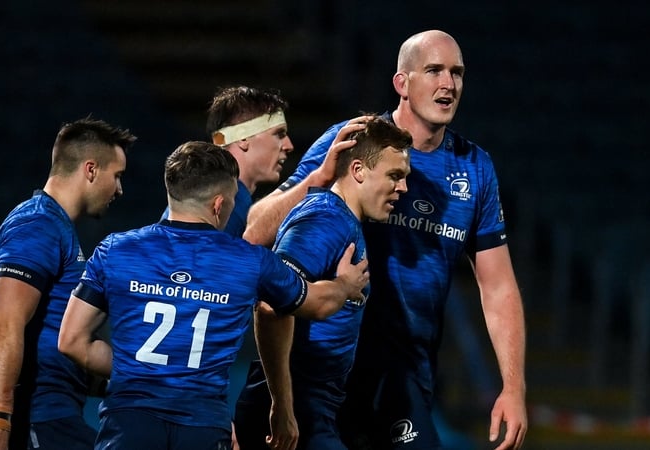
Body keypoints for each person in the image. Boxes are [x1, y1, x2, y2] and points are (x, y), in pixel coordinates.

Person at [243, 30, 528, 450]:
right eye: (433, 71)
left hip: (404, 370)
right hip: (320, 361)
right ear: (402, 83)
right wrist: (319, 178)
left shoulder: (474, 167)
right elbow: (255, 229)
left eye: (457, 73)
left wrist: (514, 387)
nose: (448, 83)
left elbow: (498, 285)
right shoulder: (355, 138)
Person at [57, 141, 370, 450]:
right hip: (202, 426)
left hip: (128, 425)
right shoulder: (249, 261)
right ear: (219, 204)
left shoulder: (116, 250)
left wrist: (142, 369)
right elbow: (316, 303)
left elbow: (71, 341)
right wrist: (346, 283)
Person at [234, 117, 413, 450]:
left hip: (310, 407)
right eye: (394, 176)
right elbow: (272, 306)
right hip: (295, 409)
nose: (402, 188)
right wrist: (282, 406)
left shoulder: (338, 218)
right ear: (358, 170)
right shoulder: (325, 221)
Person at [0, 117, 137, 450]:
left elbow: (49, 341)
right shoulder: (36, 224)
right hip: (35, 421)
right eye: (117, 176)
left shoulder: (57, 227)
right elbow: (4, 323)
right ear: (90, 170)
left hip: (53, 415)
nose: (119, 189)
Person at [160, 85, 294, 237]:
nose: (289, 146)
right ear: (243, 138)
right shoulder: (227, 202)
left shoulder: (201, 195)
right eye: (279, 134)